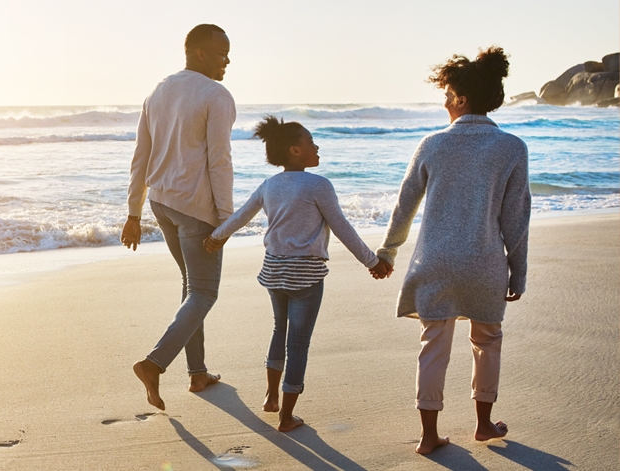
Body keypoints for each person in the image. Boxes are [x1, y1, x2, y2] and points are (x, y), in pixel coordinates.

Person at [372, 46, 529, 455]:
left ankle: (429, 435)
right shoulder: (512, 147)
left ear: (461, 99)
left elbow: (405, 204)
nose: (443, 102)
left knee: (433, 346)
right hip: (485, 263)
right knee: (487, 341)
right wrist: (520, 272)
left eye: (447, 95)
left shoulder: (432, 144)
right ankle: (483, 425)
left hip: (435, 263)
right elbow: (516, 220)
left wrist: (388, 251)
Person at [203, 116, 387, 432]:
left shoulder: (269, 185)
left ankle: (271, 398)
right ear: (294, 151)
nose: (316, 147)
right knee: (298, 343)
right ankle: (286, 418)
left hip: (274, 270)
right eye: (311, 143)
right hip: (306, 274)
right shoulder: (318, 185)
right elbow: (342, 227)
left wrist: (216, 237)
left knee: (279, 330)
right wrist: (372, 261)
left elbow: (241, 216)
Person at [121, 24, 235, 411]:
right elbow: (220, 161)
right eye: (222, 53)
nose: (227, 60)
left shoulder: (157, 91)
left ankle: (198, 373)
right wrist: (226, 220)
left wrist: (134, 212)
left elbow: (141, 156)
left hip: (161, 204)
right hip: (196, 208)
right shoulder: (215, 95)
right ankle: (154, 364)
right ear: (200, 53)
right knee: (204, 292)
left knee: (191, 285)